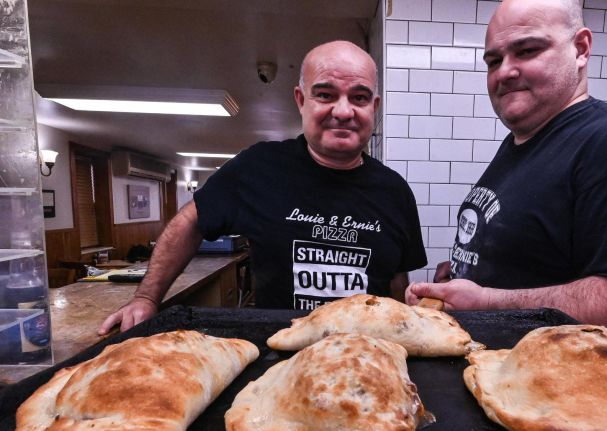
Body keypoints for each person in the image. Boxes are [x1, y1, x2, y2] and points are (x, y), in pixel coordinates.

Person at [405, 0, 607, 346]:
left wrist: (488, 303)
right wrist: (465, 275)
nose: (505, 72)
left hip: (572, 395)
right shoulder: (524, 145)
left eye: (527, 50)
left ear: (581, 48)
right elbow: (535, 260)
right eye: (494, 60)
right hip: (509, 384)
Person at [99, 41, 427, 334]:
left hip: (367, 360)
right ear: (301, 100)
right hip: (281, 357)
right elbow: (190, 221)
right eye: (325, 95)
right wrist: (145, 298)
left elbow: (397, 284)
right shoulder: (258, 168)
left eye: (359, 97)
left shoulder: (395, 192)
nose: (343, 111)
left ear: (375, 107)